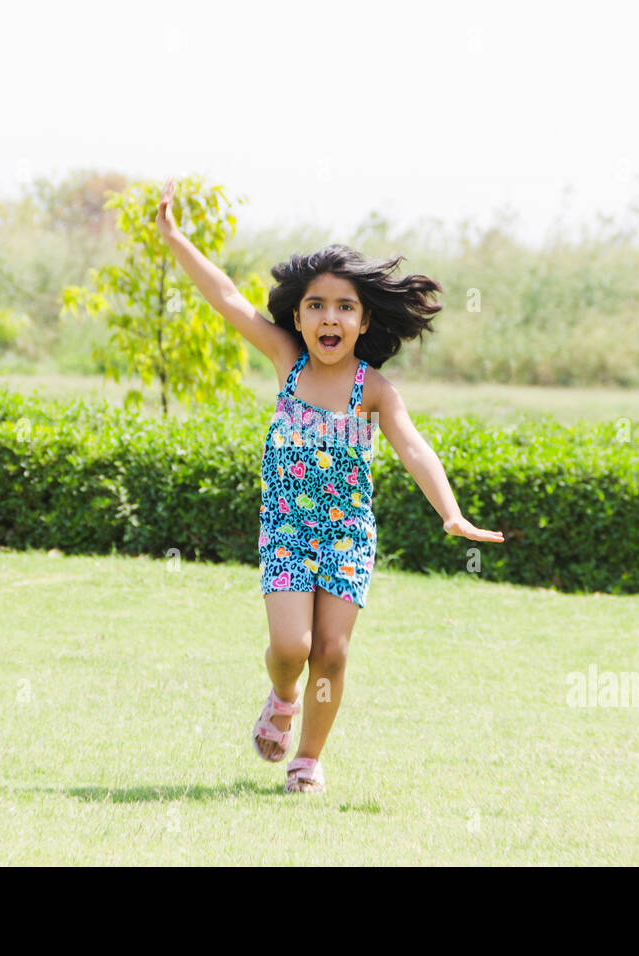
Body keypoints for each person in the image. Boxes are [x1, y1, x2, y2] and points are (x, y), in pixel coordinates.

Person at [155, 178, 503, 793]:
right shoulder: (287, 361)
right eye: (316, 306)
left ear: (363, 320)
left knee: (333, 653)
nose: (330, 317)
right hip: (288, 530)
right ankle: (283, 696)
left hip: (346, 537)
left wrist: (450, 513)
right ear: (298, 316)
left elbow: (414, 448)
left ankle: (306, 762)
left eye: (344, 307)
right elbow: (229, 298)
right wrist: (176, 238)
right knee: (292, 647)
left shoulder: (374, 390)